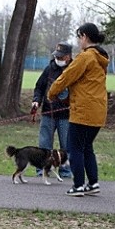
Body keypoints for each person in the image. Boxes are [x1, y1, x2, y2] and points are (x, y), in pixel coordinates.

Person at [48, 22, 109, 197]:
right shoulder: (101, 58)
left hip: (83, 111)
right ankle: (93, 183)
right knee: (87, 148)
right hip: (98, 111)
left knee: (74, 148)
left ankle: (78, 185)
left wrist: (52, 93)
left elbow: (67, 76)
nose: (79, 41)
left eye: (79, 37)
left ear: (84, 36)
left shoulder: (86, 57)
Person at [32, 42, 73, 178]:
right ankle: (42, 170)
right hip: (48, 113)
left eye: (61, 57)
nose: (58, 59)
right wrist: (36, 100)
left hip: (67, 115)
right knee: (44, 145)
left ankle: (66, 172)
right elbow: (39, 87)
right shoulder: (49, 69)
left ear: (68, 57)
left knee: (66, 145)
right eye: (57, 56)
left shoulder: (75, 69)